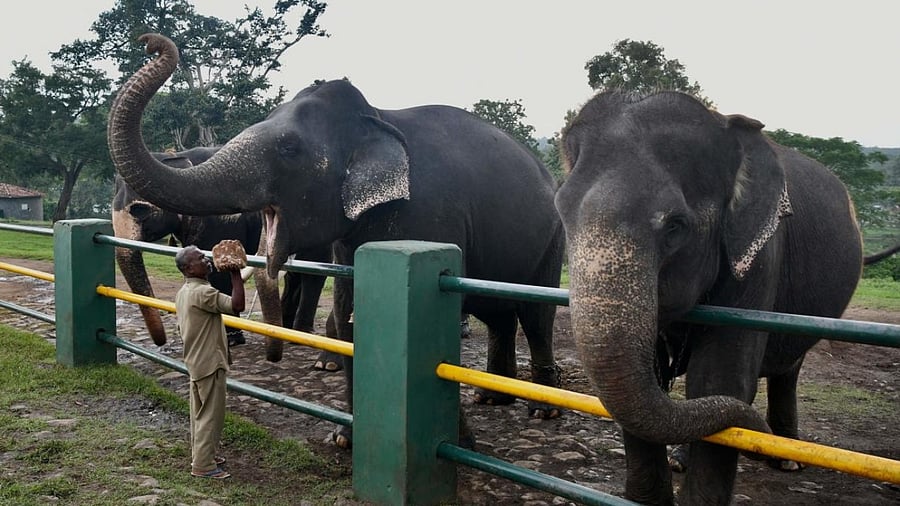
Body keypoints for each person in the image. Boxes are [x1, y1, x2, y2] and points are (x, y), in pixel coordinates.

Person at [174, 244, 245, 480]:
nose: (205, 260)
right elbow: (237, 306)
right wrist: (235, 272)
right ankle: (203, 465)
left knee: (199, 412)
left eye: (204, 256)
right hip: (210, 362)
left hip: (195, 360)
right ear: (188, 268)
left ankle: (203, 453)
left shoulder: (185, 291)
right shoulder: (204, 294)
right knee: (211, 415)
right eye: (199, 259)